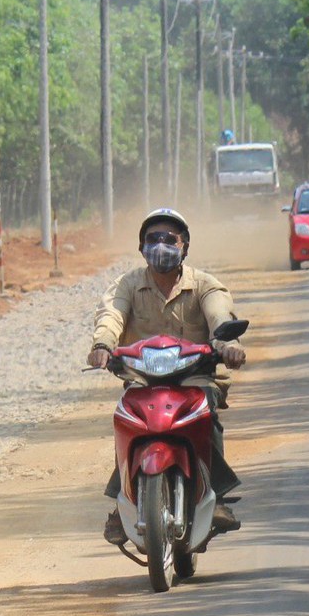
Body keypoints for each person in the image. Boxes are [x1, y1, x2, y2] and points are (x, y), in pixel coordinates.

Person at [87, 208, 246, 545]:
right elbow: (111, 315)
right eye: (152, 239)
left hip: (195, 378)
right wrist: (103, 344)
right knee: (129, 424)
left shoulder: (204, 284)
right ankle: (125, 502)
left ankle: (214, 493)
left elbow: (220, 315)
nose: (160, 245)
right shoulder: (127, 284)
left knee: (208, 419)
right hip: (142, 380)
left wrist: (227, 344)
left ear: (184, 246)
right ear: (141, 247)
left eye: (169, 239)